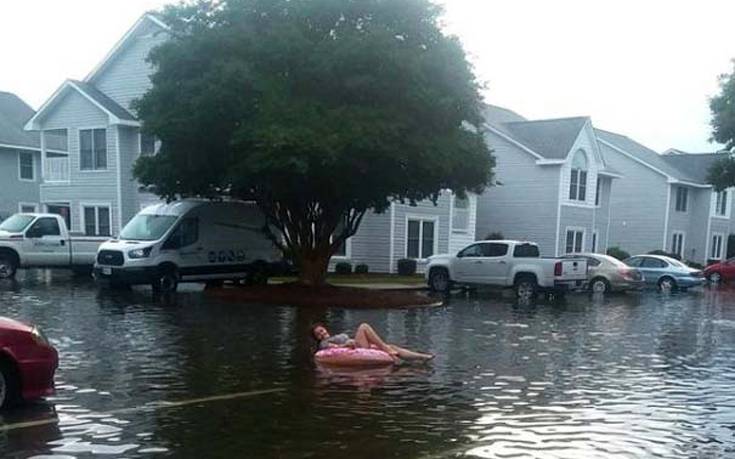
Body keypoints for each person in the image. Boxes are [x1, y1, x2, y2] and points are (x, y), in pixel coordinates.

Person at [311, 323, 434, 362]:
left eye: (321, 330)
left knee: (392, 346)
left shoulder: (332, 337)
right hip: (356, 348)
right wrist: (346, 344)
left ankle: (422, 356)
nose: (322, 334)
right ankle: (386, 349)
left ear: (325, 328)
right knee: (364, 326)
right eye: (318, 334)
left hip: (359, 345)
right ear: (317, 338)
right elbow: (335, 349)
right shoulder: (324, 344)